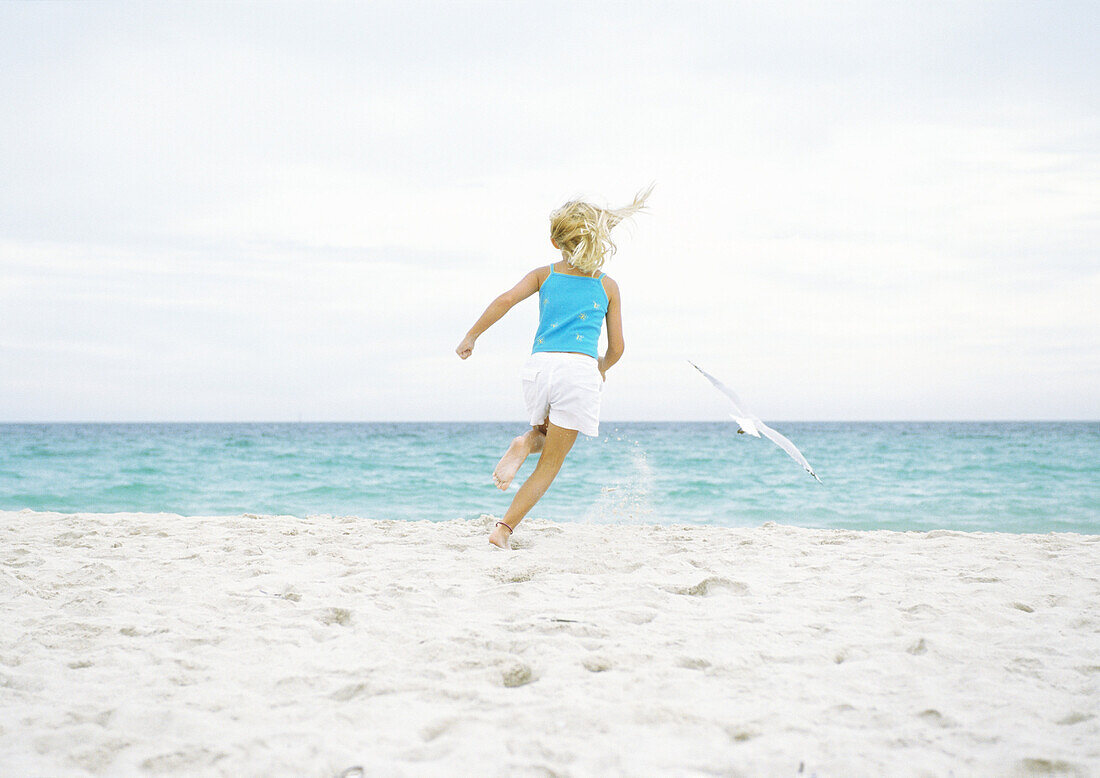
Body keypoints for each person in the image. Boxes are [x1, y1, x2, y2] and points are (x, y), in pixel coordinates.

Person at [455, 186, 652, 549]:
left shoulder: (543, 275)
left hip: (539, 367)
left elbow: (506, 300)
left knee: (544, 435)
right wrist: (602, 368)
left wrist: (472, 335)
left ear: (554, 241)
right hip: (578, 371)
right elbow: (618, 348)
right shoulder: (607, 286)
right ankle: (502, 531)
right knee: (550, 463)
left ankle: (525, 440)